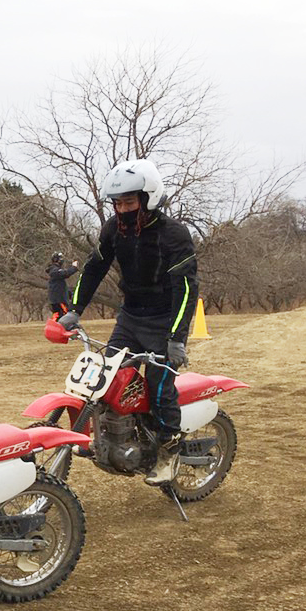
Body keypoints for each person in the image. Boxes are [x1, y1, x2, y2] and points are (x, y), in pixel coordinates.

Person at [56, 158, 198, 486]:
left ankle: (169, 452)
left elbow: (187, 288)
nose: (122, 210)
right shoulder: (114, 230)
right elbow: (94, 268)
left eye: (129, 202)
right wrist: (75, 309)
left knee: (160, 388)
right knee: (105, 381)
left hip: (164, 324)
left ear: (148, 198)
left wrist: (176, 338)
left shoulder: (173, 235)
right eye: (117, 203)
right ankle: (116, 439)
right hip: (131, 318)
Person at [46, 252, 78, 318]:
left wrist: (69, 294)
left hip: (59, 299)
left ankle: (56, 327)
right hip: (58, 300)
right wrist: (74, 267)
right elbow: (65, 273)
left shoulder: (55, 270)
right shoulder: (54, 270)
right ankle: (56, 327)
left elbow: (60, 286)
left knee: (60, 316)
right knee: (63, 316)